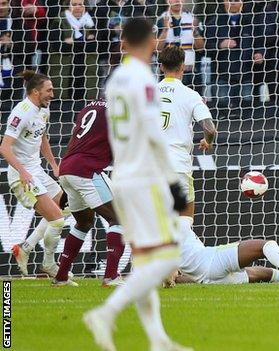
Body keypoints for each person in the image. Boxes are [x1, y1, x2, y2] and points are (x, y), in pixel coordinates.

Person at [82, 18, 190, 351]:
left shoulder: (114, 80)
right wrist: (173, 182)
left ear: (124, 42)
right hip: (144, 177)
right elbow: (151, 130)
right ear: (153, 42)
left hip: (122, 175)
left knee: (145, 260)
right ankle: (106, 312)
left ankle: (158, 340)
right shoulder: (144, 77)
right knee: (169, 256)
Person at [0, 71, 65, 278]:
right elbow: (4, 148)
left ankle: (25, 248)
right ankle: (50, 266)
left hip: (37, 171)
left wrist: (54, 166)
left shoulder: (43, 111)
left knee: (67, 206)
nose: (52, 94)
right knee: (57, 220)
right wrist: (23, 172)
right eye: (49, 90)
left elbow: (43, 139)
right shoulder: (22, 112)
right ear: (36, 92)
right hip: (22, 175)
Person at [54, 99, 125, 287]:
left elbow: (79, 138)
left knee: (84, 222)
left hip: (67, 168)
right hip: (87, 170)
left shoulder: (88, 107)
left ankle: (61, 277)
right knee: (120, 218)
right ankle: (111, 276)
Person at [157, 45, 216, 235]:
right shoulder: (190, 95)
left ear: (160, 67)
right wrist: (208, 141)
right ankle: (177, 264)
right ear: (183, 66)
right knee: (184, 228)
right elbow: (210, 128)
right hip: (177, 168)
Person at [171, 228, 279, 285]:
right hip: (208, 260)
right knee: (265, 246)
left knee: (261, 274)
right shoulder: (168, 222)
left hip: (204, 278)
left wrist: (171, 276)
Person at [204, 0, 256, 114]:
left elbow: (260, 42)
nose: (233, 3)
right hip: (222, 76)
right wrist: (220, 45)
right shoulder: (214, 22)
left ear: (242, 2)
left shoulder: (252, 22)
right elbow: (205, 48)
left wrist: (259, 53)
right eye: (230, 0)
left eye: (236, 0)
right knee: (223, 110)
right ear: (224, 2)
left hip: (247, 75)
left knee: (248, 112)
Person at [48, 0, 98, 101]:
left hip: (86, 71)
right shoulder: (59, 20)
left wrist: (73, 42)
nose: (78, 7)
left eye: (80, 4)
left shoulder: (90, 21)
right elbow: (59, 46)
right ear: (67, 6)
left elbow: (95, 46)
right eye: (74, 5)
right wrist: (84, 41)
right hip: (65, 71)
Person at [156, 0, 204, 88]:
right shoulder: (160, 20)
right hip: (168, 73)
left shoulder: (193, 19)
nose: (177, 1)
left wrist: (195, 32)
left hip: (190, 72)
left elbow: (201, 48)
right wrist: (165, 30)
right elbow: (157, 49)